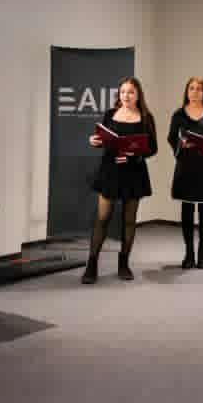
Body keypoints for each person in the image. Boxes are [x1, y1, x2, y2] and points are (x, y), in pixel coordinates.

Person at [84, 77, 159, 284]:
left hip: (134, 172)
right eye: (123, 91)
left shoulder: (146, 118)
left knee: (129, 220)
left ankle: (124, 263)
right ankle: (91, 264)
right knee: (102, 218)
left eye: (131, 92)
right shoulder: (110, 114)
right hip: (110, 171)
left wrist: (133, 157)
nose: (126, 95)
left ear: (138, 95)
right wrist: (95, 141)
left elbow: (152, 148)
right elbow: (104, 140)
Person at [167, 77, 203, 269]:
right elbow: (171, 138)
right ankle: (189, 254)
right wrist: (181, 144)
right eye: (191, 88)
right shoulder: (178, 114)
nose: (195, 92)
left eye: (199, 89)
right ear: (187, 91)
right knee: (187, 210)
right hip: (186, 167)